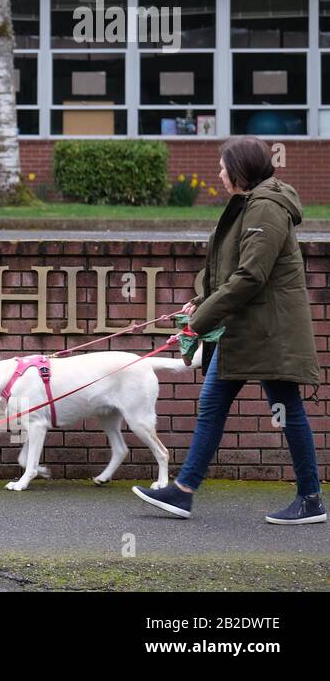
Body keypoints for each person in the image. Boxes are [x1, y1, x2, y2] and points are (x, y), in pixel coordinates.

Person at [134, 136, 324, 524]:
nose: (218, 173)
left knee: (286, 409)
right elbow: (227, 269)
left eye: (223, 167)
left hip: (269, 333)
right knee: (214, 405)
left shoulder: (266, 208)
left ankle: (310, 500)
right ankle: (184, 491)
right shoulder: (250, 205)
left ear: (240, 170)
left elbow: (251, 276)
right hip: (248, 330)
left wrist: (198, 323)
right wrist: (199, 302)